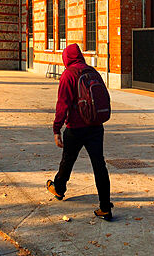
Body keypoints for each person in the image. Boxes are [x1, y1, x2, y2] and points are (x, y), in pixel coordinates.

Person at [47, 44, 113, 220]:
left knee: (67, 161)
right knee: (100, 166)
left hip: (75, 128)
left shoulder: (68, 74)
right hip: (96, 126)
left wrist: (56, 129)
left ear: (66, 58)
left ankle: (59, 189)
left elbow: (63, 105)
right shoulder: (93, 71)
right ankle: (105, 207)